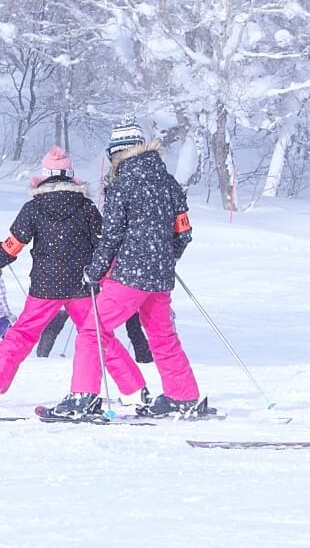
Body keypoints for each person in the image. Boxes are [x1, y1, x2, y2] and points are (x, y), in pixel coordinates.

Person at [50, 122, 210, 421]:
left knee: (92, 331)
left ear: (118, 154)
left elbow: (111, 236)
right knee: (163, 336)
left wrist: (95, 271)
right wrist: (164, 258)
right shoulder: (170, 182)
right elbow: (184, 233)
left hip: (129, 275)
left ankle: (82, 398)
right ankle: (183, 396)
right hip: (160, 277)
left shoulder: (122, 184)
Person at [0, 146, 147, 405]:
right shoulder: (86, 207)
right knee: (98, 336)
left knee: (22, 334)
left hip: (45, 286)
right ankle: (135, 390)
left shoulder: (34, 207)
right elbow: (103, 243)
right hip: (81, 284)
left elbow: (14, 243)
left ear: (44, 174)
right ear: (71, 174)